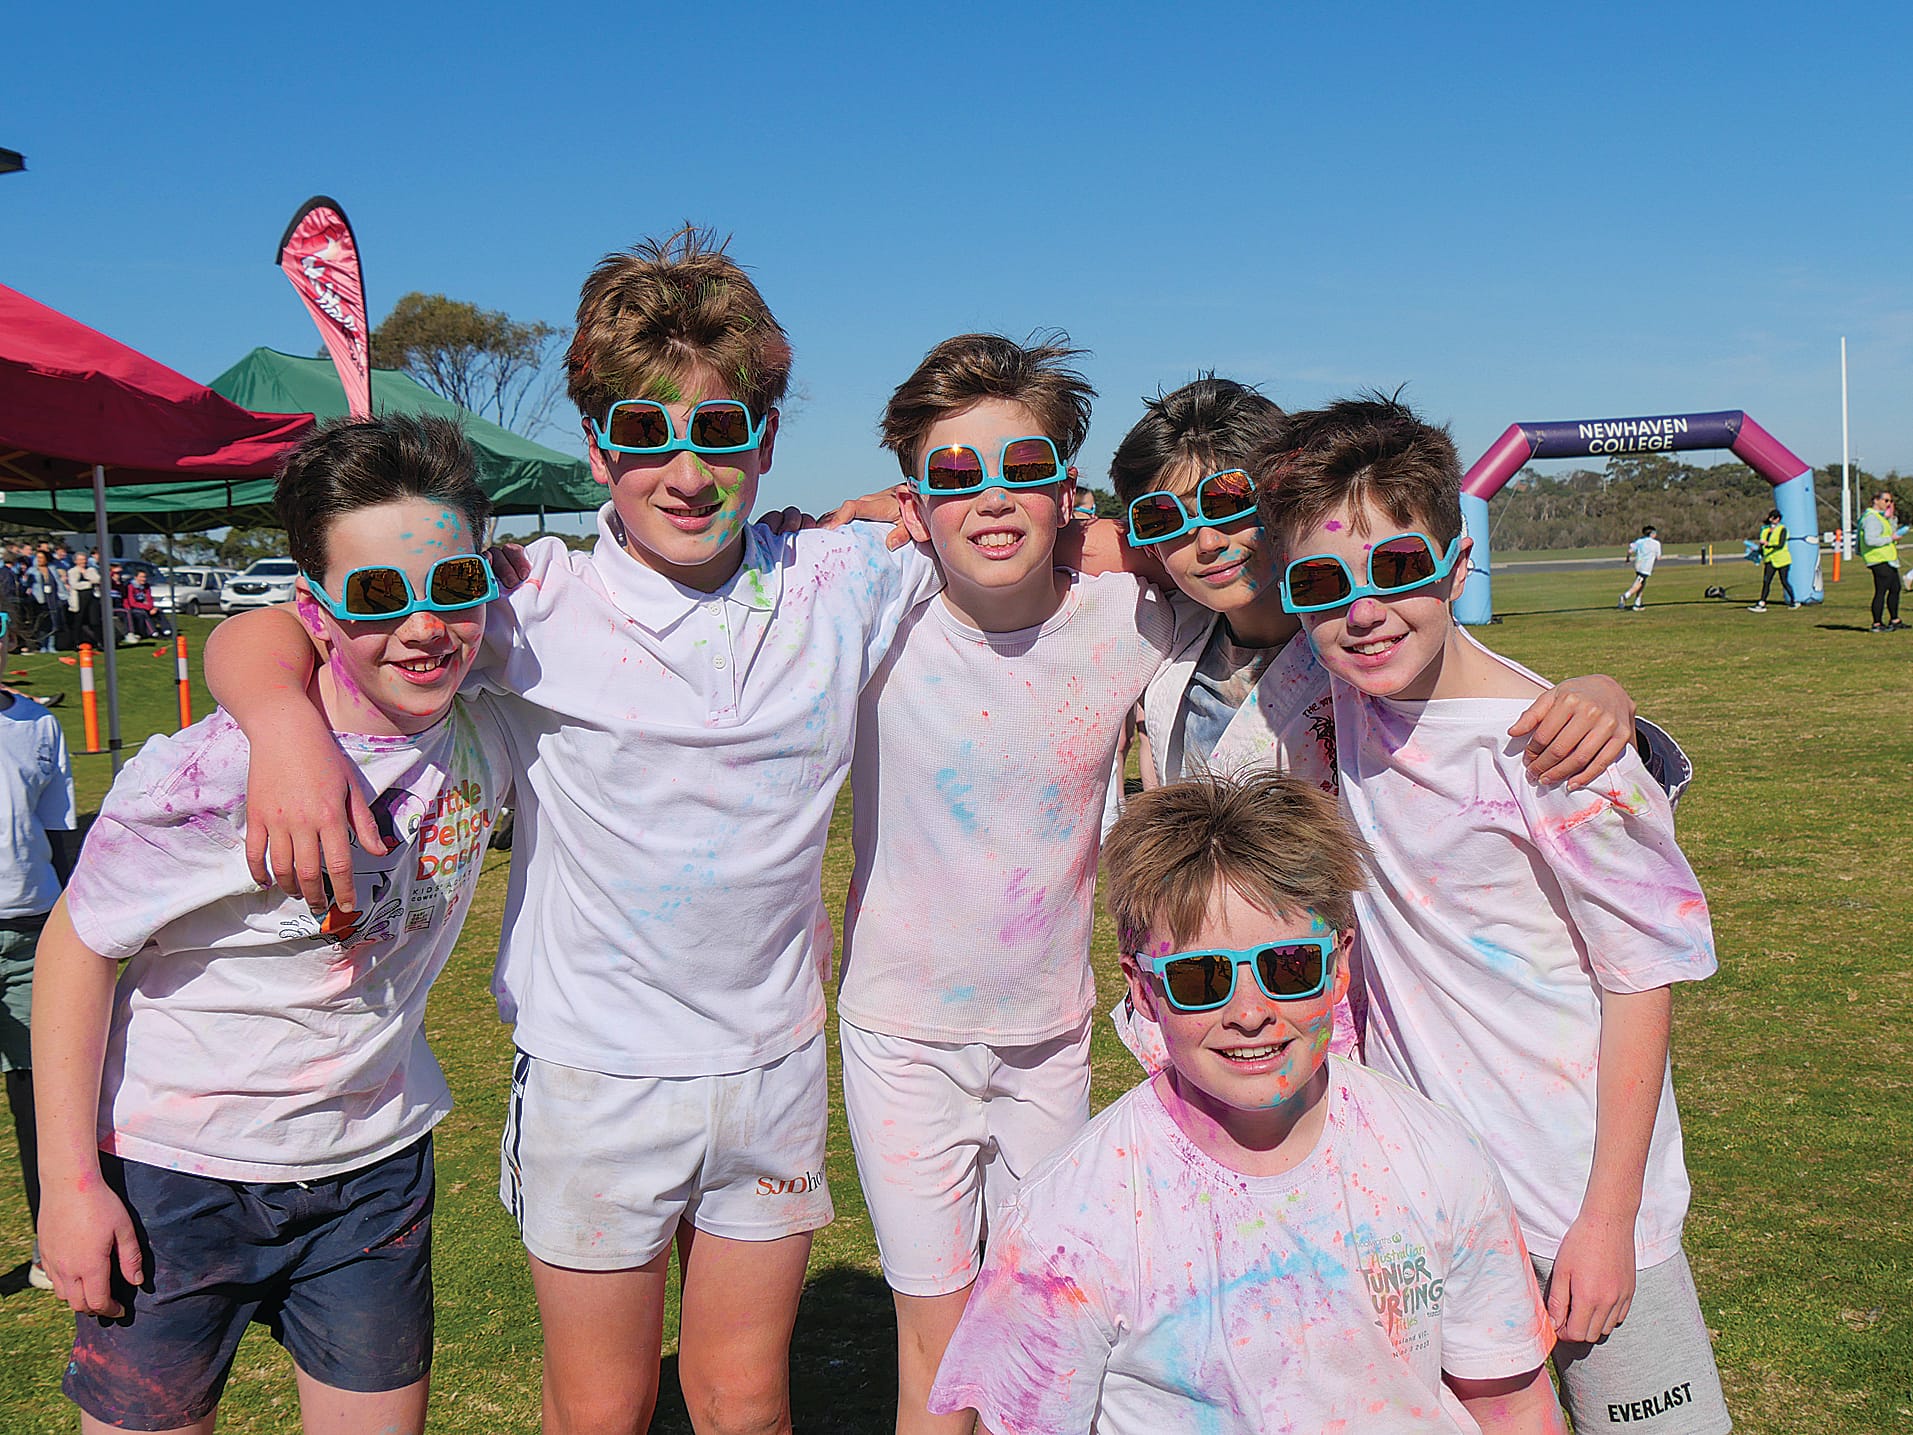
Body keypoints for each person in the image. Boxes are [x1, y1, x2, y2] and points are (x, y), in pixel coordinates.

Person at [202, 228, 946, 1435]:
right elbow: (267, 632)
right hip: (597, 1074)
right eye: (647, 436)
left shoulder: (842, 575)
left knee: (746, 1399)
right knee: (598, 1410)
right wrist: (282, 728)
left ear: (761, 435)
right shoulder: (526, 597)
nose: (687, 472)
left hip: (771, 1065)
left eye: (720, 432)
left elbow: (1043, 543)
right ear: (600, 447)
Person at [1257, 395, 1732, 1435]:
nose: (1364, 608)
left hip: (1582, 1204)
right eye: (1322, 583)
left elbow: (1636, 983)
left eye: (1399, 568)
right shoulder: (1333, 694)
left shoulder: (1557, 754)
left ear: (1455, 570)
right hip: (1427, 1203)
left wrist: (1605, 1222)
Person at [32, 414, 511, 1434]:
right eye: (377, 595)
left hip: (372, 1173)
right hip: (172, 1177)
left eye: (454, 587)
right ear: (319, 612)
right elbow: (76, 945)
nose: (424, 626)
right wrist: (69, 1184)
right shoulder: (208, 774)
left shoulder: (489, 712)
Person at [929, 772, 1564, 1434]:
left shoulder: (1434, 1155)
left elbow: (1508, 1399)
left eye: (1288, 965)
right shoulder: (1066, 1224)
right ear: (1143, 990)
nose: (1250, 1012)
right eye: (1200, 979)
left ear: (1339, 963)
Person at [840, 333, 1182, 1433]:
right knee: (938, 1356)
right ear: (913, 500)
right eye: (953, 476)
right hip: (902, 1041)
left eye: (1021, 471)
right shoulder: (863, 608)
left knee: (1044, 1333)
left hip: (1050, 1039)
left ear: (1064, 488)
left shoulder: (1127, 617)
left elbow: (1249, 562)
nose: (990, 500)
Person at [0, 676, 77, 1293]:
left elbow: (60, 834)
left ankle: (52, 1246)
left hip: (31, 929)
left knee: (42, 1098)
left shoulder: (38, 725)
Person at [1859, 491, 1904, 631]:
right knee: (1881, 591)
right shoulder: (1871, 518)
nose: (1889, 504)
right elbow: (1870, 540)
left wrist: (1891, 517)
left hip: (1887, 558)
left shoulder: (1881, 517)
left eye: (1890, 501)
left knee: (1895, 588)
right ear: (1876, 500)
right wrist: (1891, 539)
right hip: (1878, 559)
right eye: (1886, 501)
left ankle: (1894, 619)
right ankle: (1877, 623)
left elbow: (1890, 531)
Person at [1750, 508, 1796, 610]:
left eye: (1773, 518)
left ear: (1778, 519)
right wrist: (1757, 550)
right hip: (1769, 559)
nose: (1771, 520)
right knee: (1766, 581)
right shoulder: (1765, 530)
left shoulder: (1783, 529)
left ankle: (1793, 600)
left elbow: (1780, 544)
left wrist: (1768, 544)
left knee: (1784, 581)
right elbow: (1762, 545)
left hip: (1782, 560)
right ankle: (1762, 602)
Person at [66, 553, 104, 649]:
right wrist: (89, 583)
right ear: (75, 561)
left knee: (95, 620)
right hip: (79, 598)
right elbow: (74, 585)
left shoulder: (91, 570)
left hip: (93, 596)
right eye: (81, 559)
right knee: (78, 620)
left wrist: (87, 577)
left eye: (84, 559)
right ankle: (76, 643)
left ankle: (100, 642)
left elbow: (98, 579)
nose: (83, 561)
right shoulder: (72, 571)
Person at [1620, 525, 1661, 610]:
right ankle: (1625, 596)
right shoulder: (1656, 543)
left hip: (1638, 565)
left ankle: (1637, 604)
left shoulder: (1639, 541)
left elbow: (1630, 551)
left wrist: (1628, 559)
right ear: (1652, 533)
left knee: (1641, 584)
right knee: (1639, 583)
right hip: (1646, 567)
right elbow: (1658, 557)